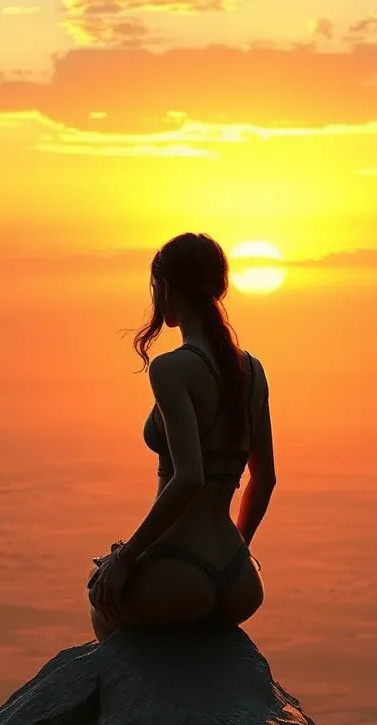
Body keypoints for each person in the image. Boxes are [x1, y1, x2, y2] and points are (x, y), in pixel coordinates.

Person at [88, 232, 277, 642]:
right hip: (239, 578)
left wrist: (124, 559)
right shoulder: (254, 371)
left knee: (102, 606)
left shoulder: (172, 369)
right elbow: (265, 480)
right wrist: (235, 551)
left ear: (166, 287)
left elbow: (188, 477)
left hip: (180, 571)